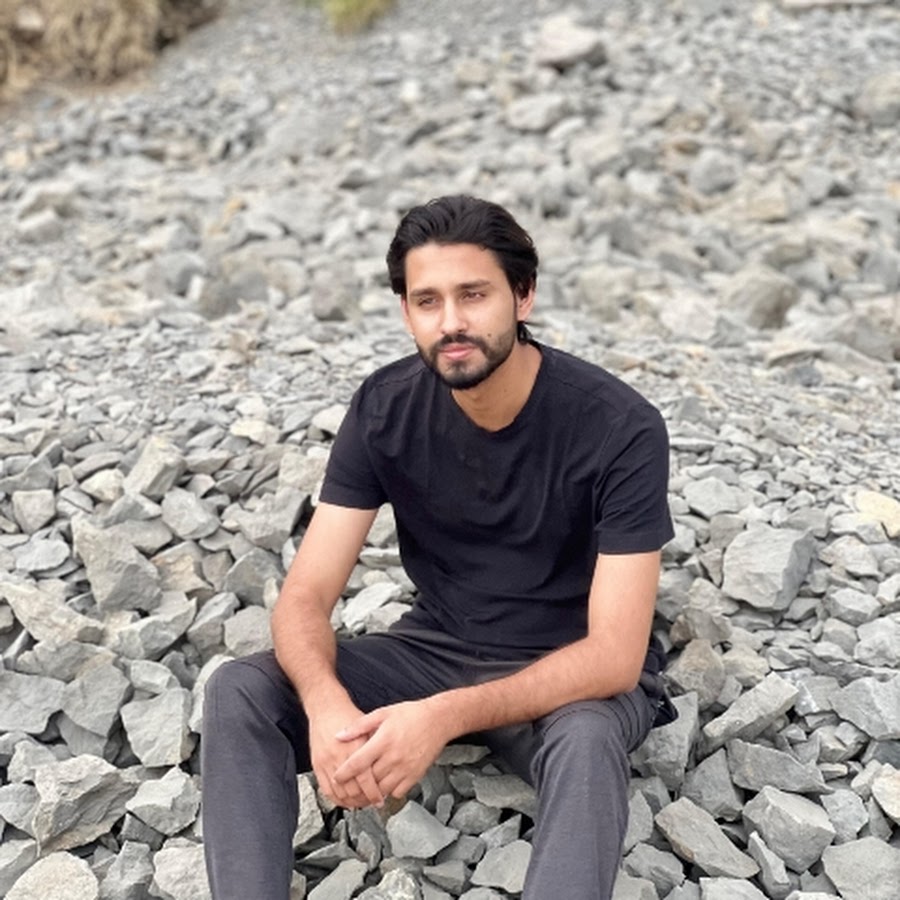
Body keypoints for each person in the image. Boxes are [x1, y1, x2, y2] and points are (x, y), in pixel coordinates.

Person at [201, 195, 676, 900]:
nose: (450, 322)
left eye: (473, 295)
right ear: (406, 312)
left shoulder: (619, 427)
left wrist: (443, 717)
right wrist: (328, 707)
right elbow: (304, 597)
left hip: (568, 672)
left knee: (586, 743)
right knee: (240, 690)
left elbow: (615, 655)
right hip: (436, 649)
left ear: (523, 295)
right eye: (428, 301)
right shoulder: (384, 407)